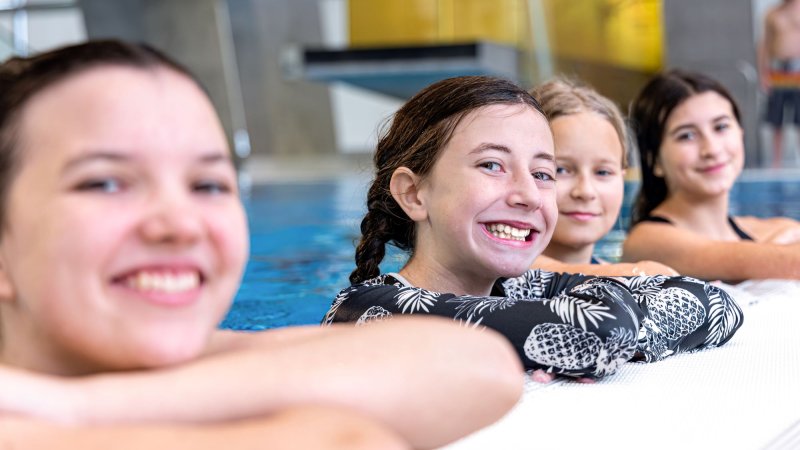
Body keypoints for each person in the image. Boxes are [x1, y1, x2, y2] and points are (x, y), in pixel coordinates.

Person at [0, 40, 525, 449]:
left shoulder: (158, 372)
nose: (181, 225)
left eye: (208, 185)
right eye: (105, 182)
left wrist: (77, 407)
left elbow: (479, 367)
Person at [324, 75, 743, 381]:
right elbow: (600, 330)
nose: (528, 194)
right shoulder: (367, 311)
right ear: (414, 194)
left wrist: (554, 344)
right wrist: (580, 340)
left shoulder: (517, 289)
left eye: (543, 173)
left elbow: (717, 307)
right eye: (492, 165)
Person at [623, 69, 800, 282]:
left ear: (740, 133)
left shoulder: (775, 229)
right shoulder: (649, 240)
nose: (712, 149)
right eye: (686, 135)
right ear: (655, 160)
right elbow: (791, 264)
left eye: (721, 127)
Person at [529, 78, 677, 277]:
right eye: (561, 170)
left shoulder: (623, 276)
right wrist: (630, 273)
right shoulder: (491, 279)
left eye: (603, 172)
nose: (585, 191)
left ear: (622, 177)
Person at [758, 0, 800, 167]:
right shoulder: (773, 13)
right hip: (778, 71)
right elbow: (764, 45)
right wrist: (763, 74)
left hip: (798, 70)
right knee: (777, 120)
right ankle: (776, 162)